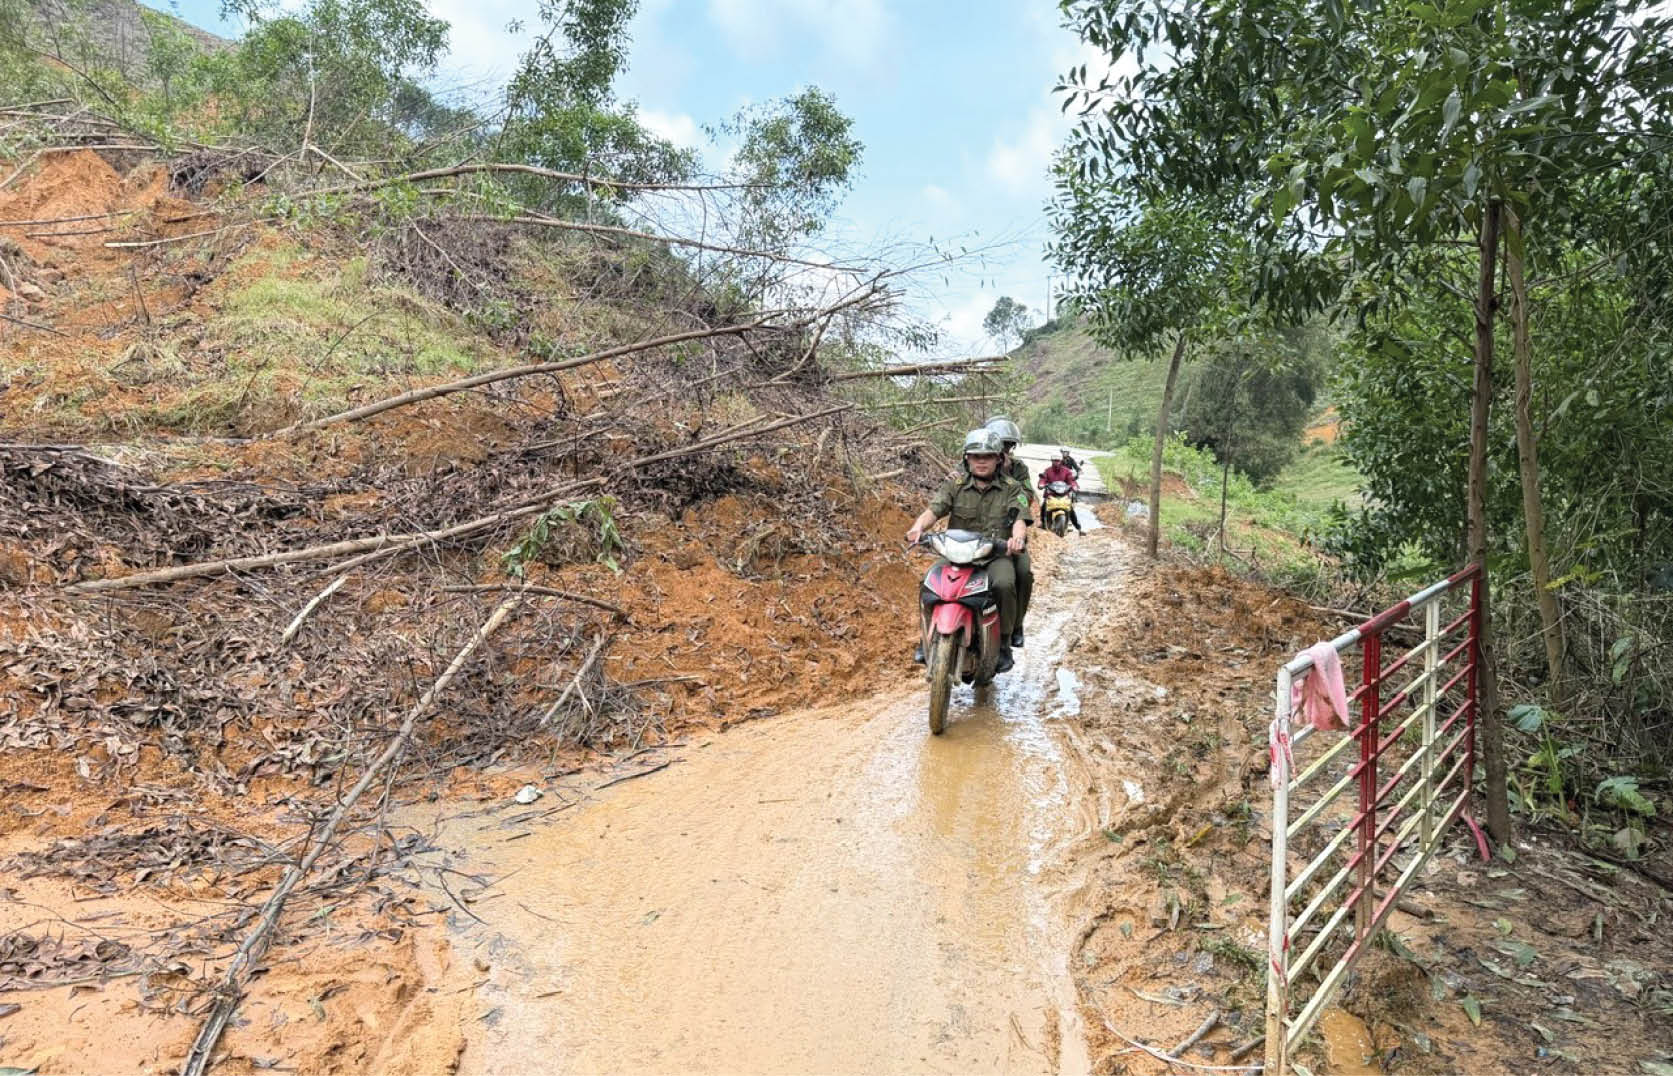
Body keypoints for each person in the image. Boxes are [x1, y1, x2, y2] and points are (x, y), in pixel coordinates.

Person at [906, 428, 1031, 673]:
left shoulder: (1012, 487)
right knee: (928, 584)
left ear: (998, 458)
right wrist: (917, 527)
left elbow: (1019, 518)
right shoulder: (956, 484)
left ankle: (1004, 643)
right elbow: (935, 509)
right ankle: (926, 639)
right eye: (975, 456)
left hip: (993, 554)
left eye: (987, 456)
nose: (981, 461)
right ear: (967, 459)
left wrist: (1016, 539)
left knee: (1005, 584)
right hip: (956, 555)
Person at [983, 416, 1035, 648]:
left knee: (1023, 573)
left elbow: (1027, 498)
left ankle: (1015, 624)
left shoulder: (1019, 469)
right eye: (1000, 445)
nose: (1004, 451)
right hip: (975, 536)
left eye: (1008, 446)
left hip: (1010, 536)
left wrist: (1006, 474)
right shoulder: (975, 461)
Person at [1038, 455, 1084, 534]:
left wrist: (1074, 486)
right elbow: (1043, 479)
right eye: (1055, 460)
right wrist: (1041, 484)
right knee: (1043, 506)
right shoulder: (1047, 470)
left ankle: (1078, 528)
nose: (1056, 462)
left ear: (1061, 461)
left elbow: (1071, 480)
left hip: (1063, 494)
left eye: (1058, 460)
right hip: (1051, 494)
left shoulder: (1066, 471)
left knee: (1071, 509)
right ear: (1051, 461)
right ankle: (1043, 523)